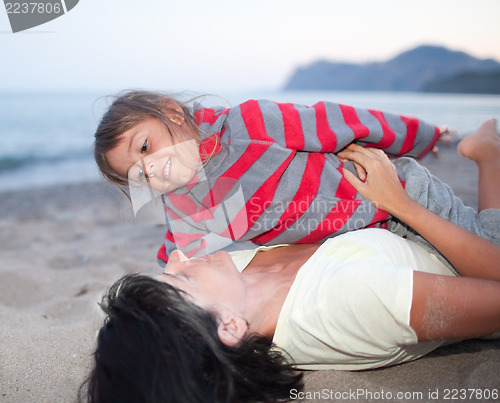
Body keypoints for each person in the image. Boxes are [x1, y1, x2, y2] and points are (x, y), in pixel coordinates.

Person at [81, 120, 500, 402]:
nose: (175, 257)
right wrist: (401, 204)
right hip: (465, 255)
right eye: (181, 282)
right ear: (228, 325)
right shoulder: (355, 302)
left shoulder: (236, 284)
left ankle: (487, 156)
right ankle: (490, 156)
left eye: (163, 270)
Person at [95, 90, 452, 264]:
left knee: (487, 247)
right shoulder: (183, 202)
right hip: (372, 238)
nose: (152, 168)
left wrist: (422, 136)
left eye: (145, 147)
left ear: (172, 113)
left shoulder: (249, 125)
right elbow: (180, 250)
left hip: (400, 195)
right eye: (139, 174)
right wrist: (169, 277)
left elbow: (338, 121)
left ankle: (484, 150)